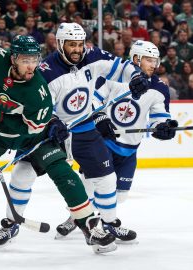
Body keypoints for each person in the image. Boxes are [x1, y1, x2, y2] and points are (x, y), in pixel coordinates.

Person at [0, 19, 123, 256]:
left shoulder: (39, 92)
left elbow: (31, 129)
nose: (31, 66)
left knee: (62, 171)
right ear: (13, 58)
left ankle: (89, 225)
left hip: (32, 136)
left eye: (35, 60)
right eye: (25, 60)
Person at [0, 23, 150, 247]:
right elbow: (39, 106)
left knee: (106, 178)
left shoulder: (92, 56)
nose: (77, 49)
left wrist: (136, 76)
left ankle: (110, 223)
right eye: (71, 45)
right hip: (51, 133)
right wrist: (52, 122)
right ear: (59, 44)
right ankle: (11, 222)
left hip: (84, 129)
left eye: (79, 44)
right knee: (22, 174)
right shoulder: (45, 71)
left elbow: (121, 66)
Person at [56, 40, 179, 237]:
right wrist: (100, 116)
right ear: (136, 58)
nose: (154, 65)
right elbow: (94, 99)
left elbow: (159, 117)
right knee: (93, 184)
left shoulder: (159, 88)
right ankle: (80, 218)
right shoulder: (115, 78)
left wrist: (163, 128)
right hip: (104, 142)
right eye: (149, 60)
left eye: (155, 61)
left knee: (119, 195)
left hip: (129, 150)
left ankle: (98, 219)